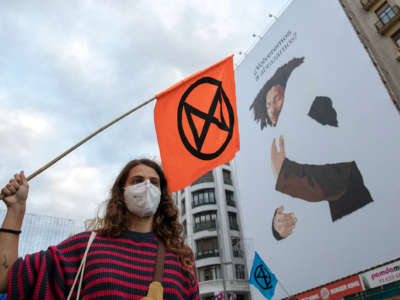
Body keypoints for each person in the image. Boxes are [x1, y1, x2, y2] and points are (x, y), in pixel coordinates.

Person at [0, 158, 199, 299]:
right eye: (137, 180)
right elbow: (4, 279)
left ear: (162, 195)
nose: (147, 186)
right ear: (122, 192)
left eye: (154, 183)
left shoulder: (182, 257)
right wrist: (15, 210)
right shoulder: (86, 247)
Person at [249, 57, 374, 241]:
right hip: (323, 247)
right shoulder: (272, 145)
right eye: (268, 105)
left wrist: (285, 177)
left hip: (360, 225)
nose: (273, 109)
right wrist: (278, 226)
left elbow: (339, 173)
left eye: (277, 99)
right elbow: (275, 203)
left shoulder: (319, 110)